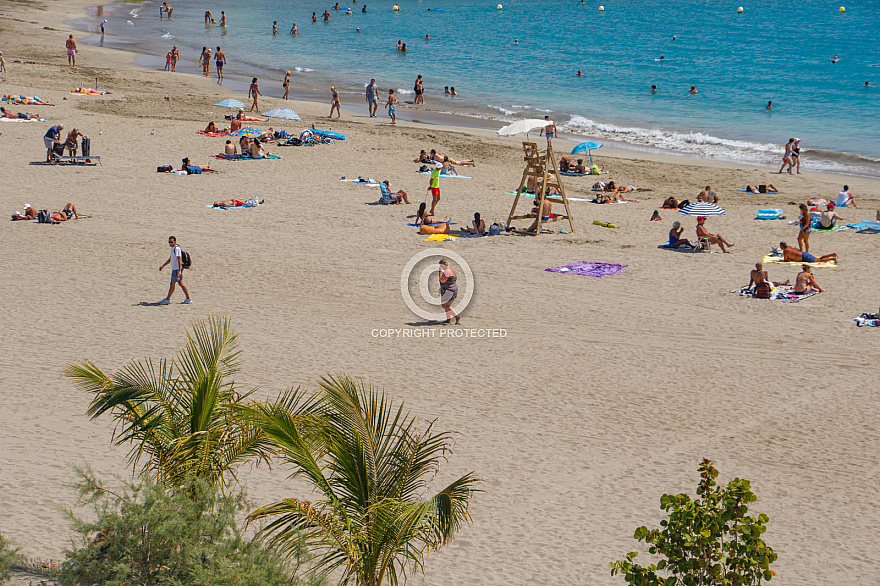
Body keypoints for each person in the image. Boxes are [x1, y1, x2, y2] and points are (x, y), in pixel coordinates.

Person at [159, 236, 192, 304]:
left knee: (174, 283)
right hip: (175, 269)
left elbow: (179, 260)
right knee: (179, 283)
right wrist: (163, 265)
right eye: (169, 242)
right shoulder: (173, 249)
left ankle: (167, 299)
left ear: (175, 241)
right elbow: (171, 259)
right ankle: (188, 298)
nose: (170, 243)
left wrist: (179, 271)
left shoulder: (177, 249)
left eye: (171, 242)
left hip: (177, 269)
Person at [438, 258, 460, 324]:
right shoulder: (452, 269)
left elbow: (442, 280)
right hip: (453, 288)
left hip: (449, 290)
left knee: (445, 306)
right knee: (447, 305)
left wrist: (439, 272)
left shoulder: (447, 271)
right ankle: (448, 319)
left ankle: (456, 317)